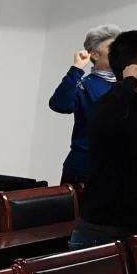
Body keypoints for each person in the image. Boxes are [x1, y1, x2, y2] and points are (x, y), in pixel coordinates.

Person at [68, 30, 137, 249]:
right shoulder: (110, 103)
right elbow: (106, 114)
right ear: (135, 69)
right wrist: (128, 81)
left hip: (132, 227)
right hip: (102, 232)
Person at [48, 24, 121, 185]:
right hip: (84, 170)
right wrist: (77, 68)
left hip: (117, 171)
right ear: (94, 54)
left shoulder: (128, 85)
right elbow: (59, 104)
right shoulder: (85, 84)